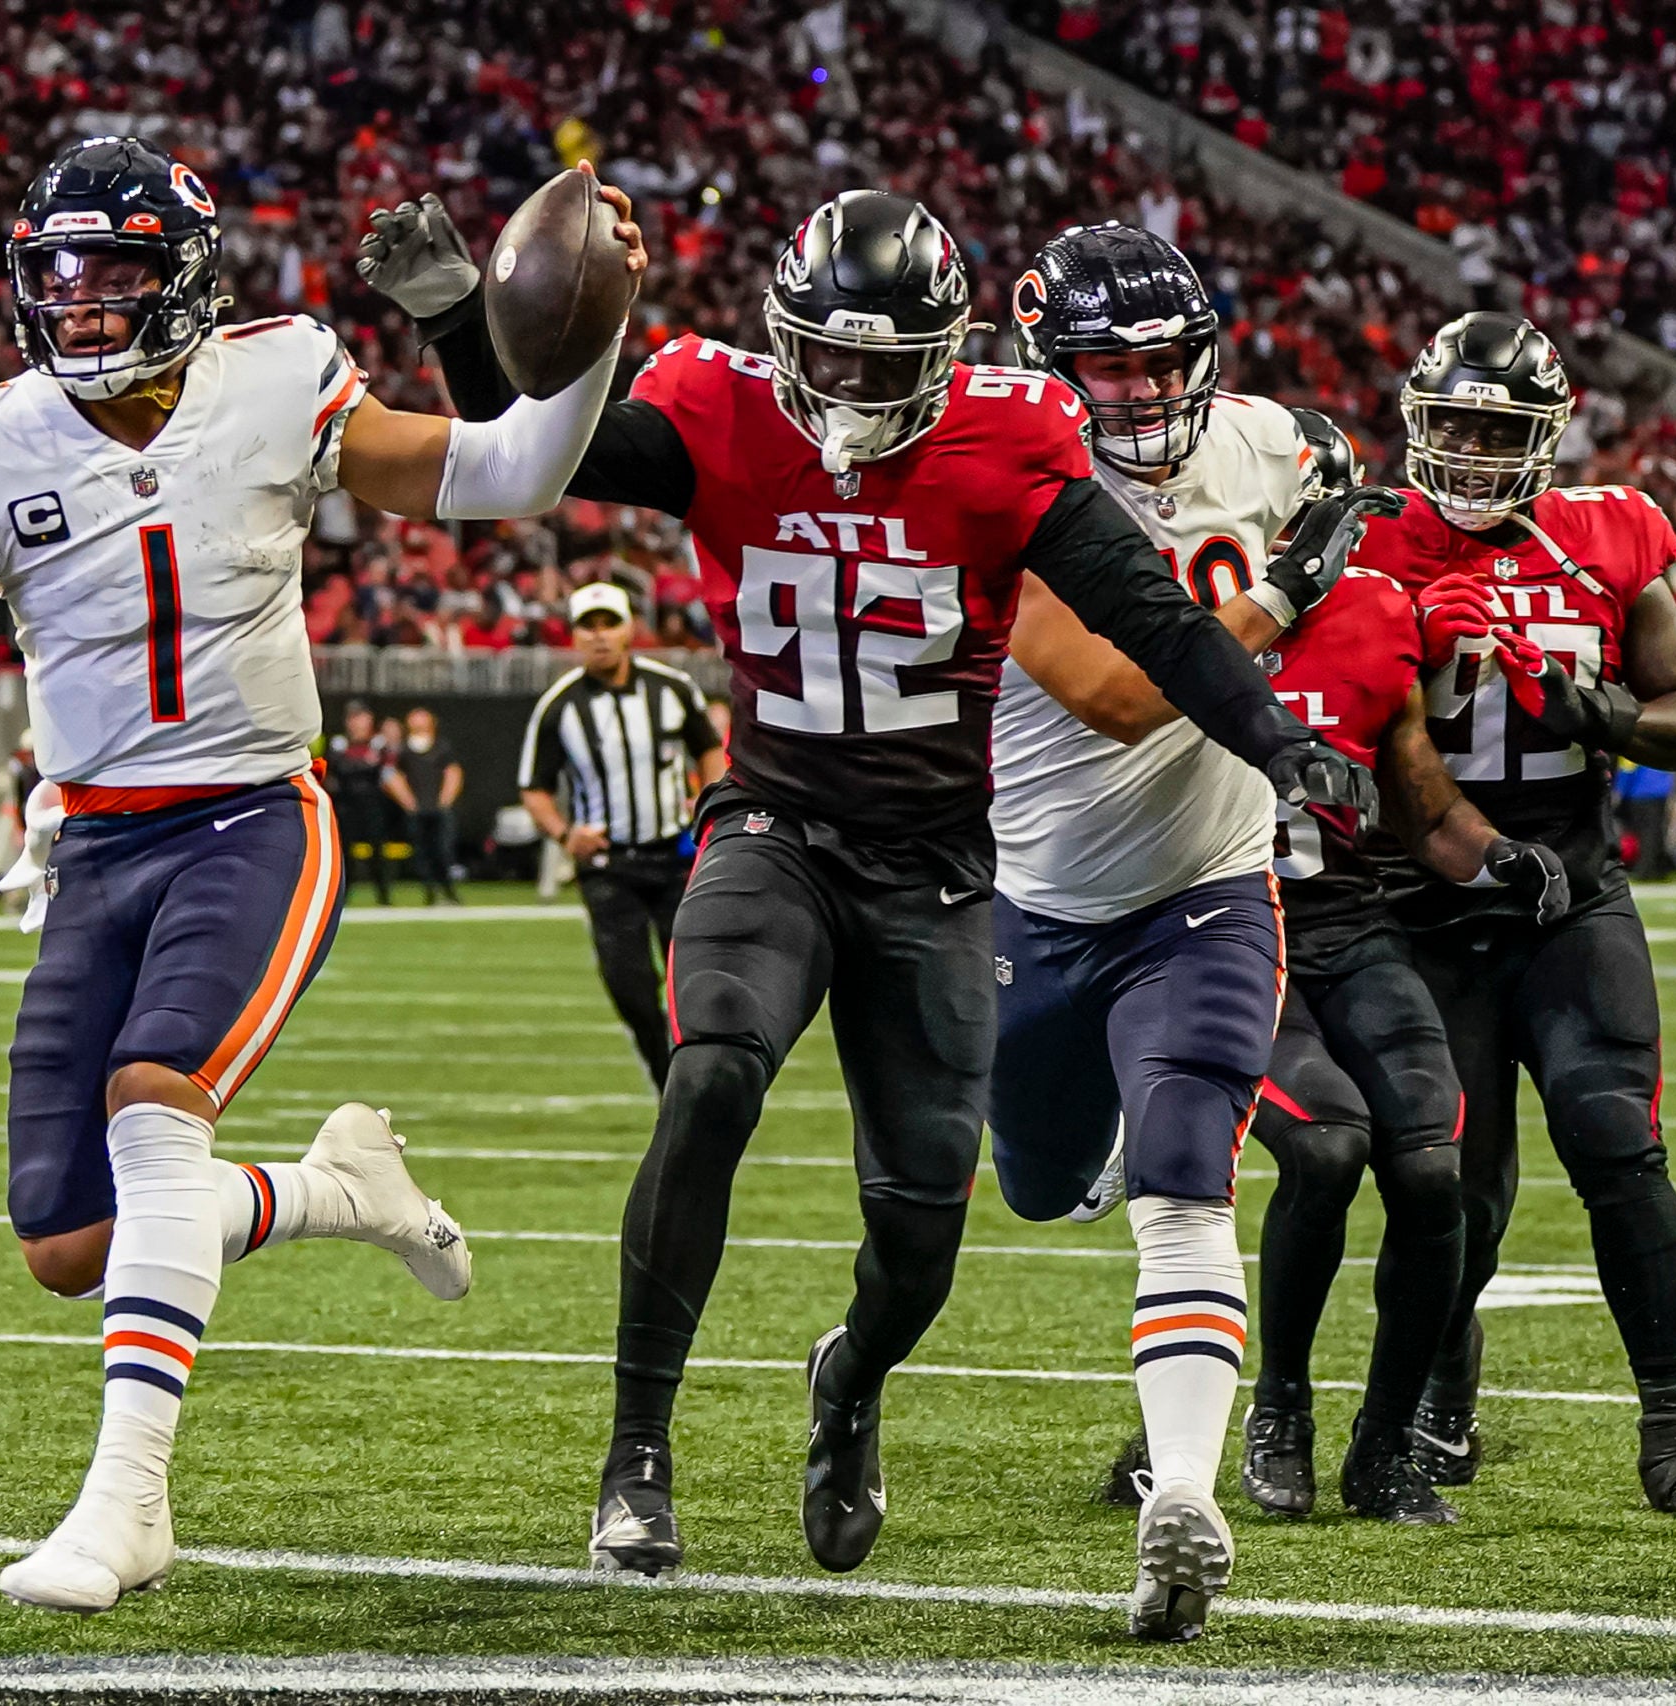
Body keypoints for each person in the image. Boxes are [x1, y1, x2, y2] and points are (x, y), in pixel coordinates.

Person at [362, 188, 1372, 1634]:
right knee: (711, 1068)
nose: (843, 393)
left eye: (878, 365)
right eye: (821, 360)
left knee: (918, 1233)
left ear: (943, 354)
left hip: (941, 866)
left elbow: (1153, 622)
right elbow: (540, 458)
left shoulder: (1007, 441)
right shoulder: (724, 409)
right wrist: (467, 323)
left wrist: (1277, 744)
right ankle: (636, 1452)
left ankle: (852, 1381)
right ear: (785, 342)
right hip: (773, 821)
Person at [0, 136, 632, 1614]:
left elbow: (518, 471)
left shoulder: (279, 376)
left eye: (117, 276)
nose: (83, 307)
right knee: (66, 1243)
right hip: (93, 844)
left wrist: (555, 326)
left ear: (188, 282)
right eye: (60, 278)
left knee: (155, 1110)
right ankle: (340, 1189)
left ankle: (128, 1501)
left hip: (252, 817)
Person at [977, 225, 1403, 1628]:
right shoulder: (1014, 469)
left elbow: (1340, 478)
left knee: (1186, 1180)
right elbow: (1109, 685)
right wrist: (1284, 596)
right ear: (1055, 366)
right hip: (1044, 893)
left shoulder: (1264, 437)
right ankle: (1079, 1148)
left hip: (1213, 880)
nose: (1150, 391)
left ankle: (1183, 1494)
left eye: (1168, 360)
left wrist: (1340, 519)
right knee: (1034, 1182)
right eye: (1114, 364)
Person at [1095, 407, 1568, 1528]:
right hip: (1220, 928)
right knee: (1322, 1145)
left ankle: (1383, 1442)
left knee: (1429, 1162)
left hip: (1349, 927)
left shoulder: (1370, 611)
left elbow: (1418, 799)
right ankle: (1279, 1409)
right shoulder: (1174, 610)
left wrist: (1493, 856)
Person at [1351, 311, 1676, 1520]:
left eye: (1497, 429)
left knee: (1616, 1146)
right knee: (1449, 1185)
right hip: (1418, 905)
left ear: (1545, 438)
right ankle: (1441, 1387)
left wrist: (1593, 709)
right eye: (1454, 425)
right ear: (1418, 424)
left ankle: (1673, 1429)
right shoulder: (1363, 542)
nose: (1470, 452)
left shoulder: (1602, 541)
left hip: (1570, 895)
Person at [517, 581, 725, 1085]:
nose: (599, 636)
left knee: (694, 983)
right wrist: (567, 836)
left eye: (609, 623)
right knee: (630, 988)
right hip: (610, 867)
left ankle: (692, 1078)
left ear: (629, 628)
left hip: (678, 858)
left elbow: (710, 750)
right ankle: (665, 1076)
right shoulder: (560, 706)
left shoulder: (672, 688)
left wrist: (712, 802)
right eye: (588, 627)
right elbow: (534, 788)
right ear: (573, 637)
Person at [383, 705, 463, 904]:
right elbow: (393, 776)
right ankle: (430, 893)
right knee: (422, 853)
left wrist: (445, 800)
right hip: (417, 811)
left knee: (443, 851)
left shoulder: (441, 747)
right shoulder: (403, 750)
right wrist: (408, 801)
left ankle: (449, 891)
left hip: (438, 810)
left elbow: (453, 772)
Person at [325, 699, 396, 905]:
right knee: (344, 851)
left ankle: (383, 894)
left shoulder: (378, 743)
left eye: (361, 717)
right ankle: (343, 895)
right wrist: (364, 765)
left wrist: (357, 767)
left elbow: (379, 769)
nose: (356, 723)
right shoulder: (339, 743)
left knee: (377, 848)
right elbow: (339, 768)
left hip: (372, 803)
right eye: (352, 718)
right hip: (346, 804)